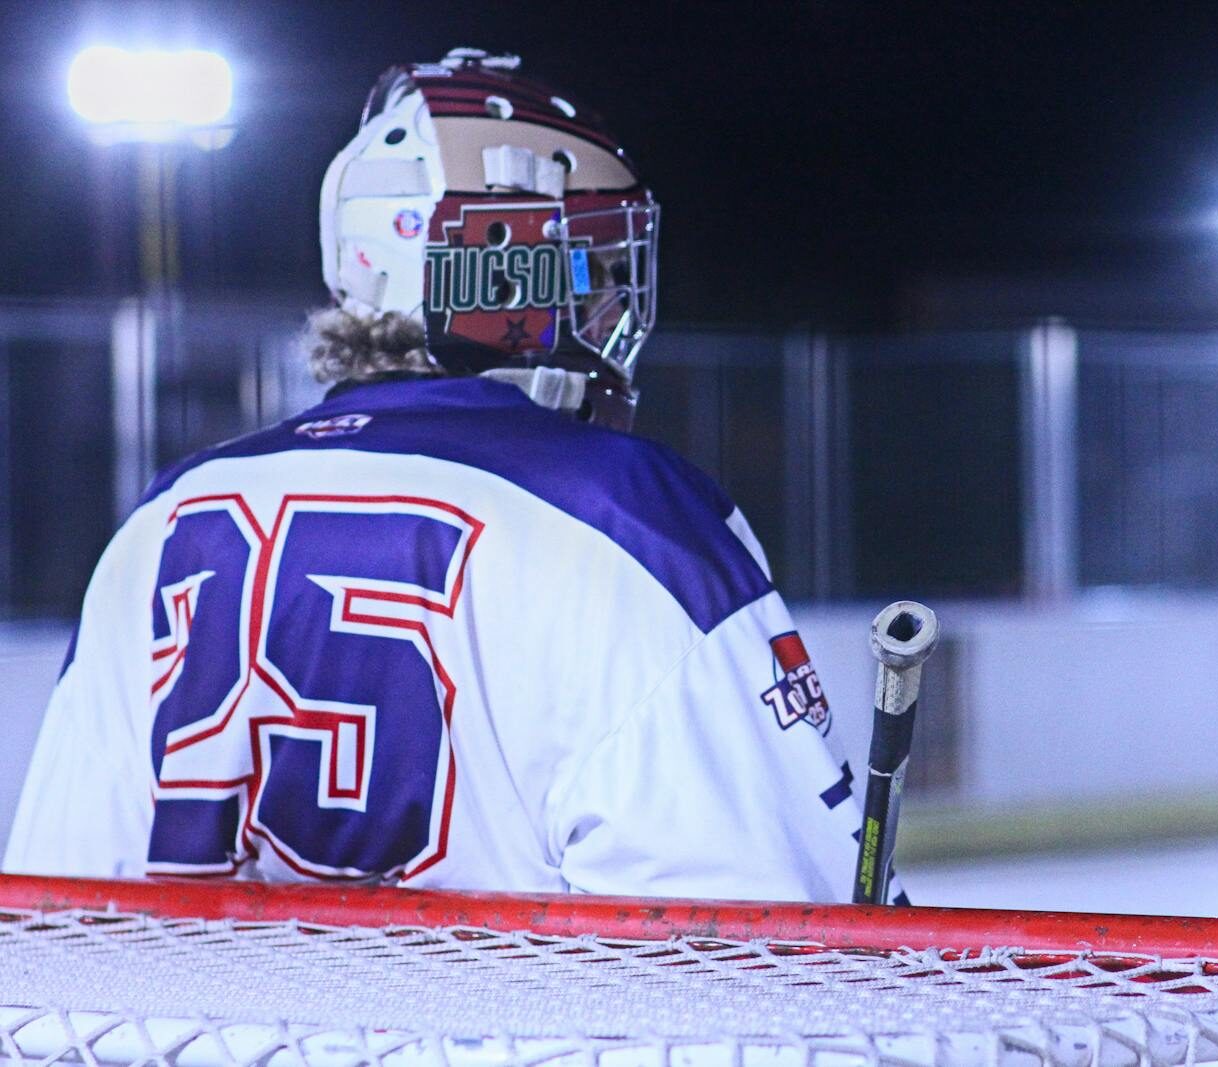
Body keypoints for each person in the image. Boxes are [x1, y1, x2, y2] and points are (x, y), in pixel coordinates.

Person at [6, 48, 900, 904]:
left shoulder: (165, 519)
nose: (607, 311)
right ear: (496, 269)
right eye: (588, 271)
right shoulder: (625, 518)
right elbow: (784, 951)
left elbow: (64, 933)